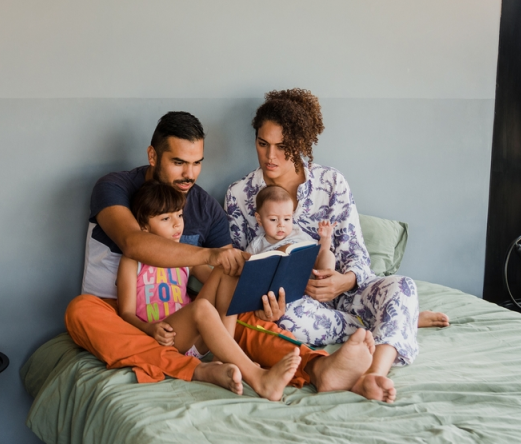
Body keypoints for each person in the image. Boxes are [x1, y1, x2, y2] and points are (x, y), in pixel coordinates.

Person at [66, 111, 378, 397]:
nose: (190, 174)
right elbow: (134, 243)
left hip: (178, 316)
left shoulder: (205, 207)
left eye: (197, 163)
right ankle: (199, 370)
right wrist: (209, 255)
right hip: (118, 312)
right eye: (178, 162)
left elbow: (224, 272)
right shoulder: (114, 187)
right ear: (153, 155)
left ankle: (318, 367)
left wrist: (262, 300)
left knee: (238, 314)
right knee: (80, 311)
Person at [224, 89, 450, 403]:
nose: (270, 156)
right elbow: (241, 269)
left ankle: (376, 372)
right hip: (294, 307)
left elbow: (356, 251)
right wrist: (265, 306)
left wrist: (344, 281)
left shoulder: (331, 183)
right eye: (263, 144)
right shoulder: (239, 195)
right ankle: (396, 321)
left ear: (300, 143)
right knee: (285, 321)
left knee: (404, 287)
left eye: (282, 146)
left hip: (347, 296)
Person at [117, 180, 304, 400]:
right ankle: (258, 378)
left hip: (195, 335)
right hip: (165, 338)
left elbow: (218, 280)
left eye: (179, 215)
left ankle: (224, 355)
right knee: (202, 307)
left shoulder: (186, 256)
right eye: (166, 219)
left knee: (227, 269)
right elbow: (126, 313)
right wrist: (150, 329)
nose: (177, 224)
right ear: (144, 227)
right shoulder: (132, 261)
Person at [247, 185, 336, 274]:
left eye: (286, 219)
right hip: (281, 282)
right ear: (259, 219)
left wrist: (325, 238)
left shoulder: (297, 233)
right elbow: (247, 268)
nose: (281, 224)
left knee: (327, 254)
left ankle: (324, 278)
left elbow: (318, 253)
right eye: (273, 219)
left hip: (309, 277)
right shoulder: (257, 245)